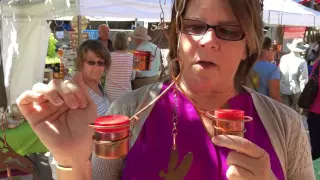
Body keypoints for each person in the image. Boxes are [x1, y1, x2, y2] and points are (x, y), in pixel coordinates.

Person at [17, 0, 315, 180]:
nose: (208, 41)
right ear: (177, 34)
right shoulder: (129, 111)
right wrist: (71, 160)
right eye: (195, 26)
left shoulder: (285, 126)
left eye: (228, 30)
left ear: (248, 44)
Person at [47, 40, 111, 179]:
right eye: (91, 62)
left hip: (96, 163)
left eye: (101, 62)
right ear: (81, 63)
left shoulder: (98, 85)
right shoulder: (75, 90)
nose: (96, 67)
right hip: (75, 168)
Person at [279, 38, 309, 112]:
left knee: (285, 112)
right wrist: (304, 93)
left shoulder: (284, 58)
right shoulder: (302, 61)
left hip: (283, 88)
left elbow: (279, 73)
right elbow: (303, 79)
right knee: (296, 113)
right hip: (296, 90)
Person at [105, 32, 134, 103]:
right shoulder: (132, 57)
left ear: (114, 42)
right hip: (126, 94)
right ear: (126, 42)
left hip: (110, 94)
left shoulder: (108, 57)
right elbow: (132, 77)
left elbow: (104, 72)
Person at [252, 37, 281, 102]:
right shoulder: (273, 68)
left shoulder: (247, 65)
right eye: (273, 50)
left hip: (247, 105)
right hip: (264, 106)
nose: (274, 52)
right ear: (268, 50)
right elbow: (274, 96)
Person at [305, 41, 320, 160]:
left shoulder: (317, 64)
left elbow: (310, 82)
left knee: (315, 146)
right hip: (315, 111)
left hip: (315, 111)